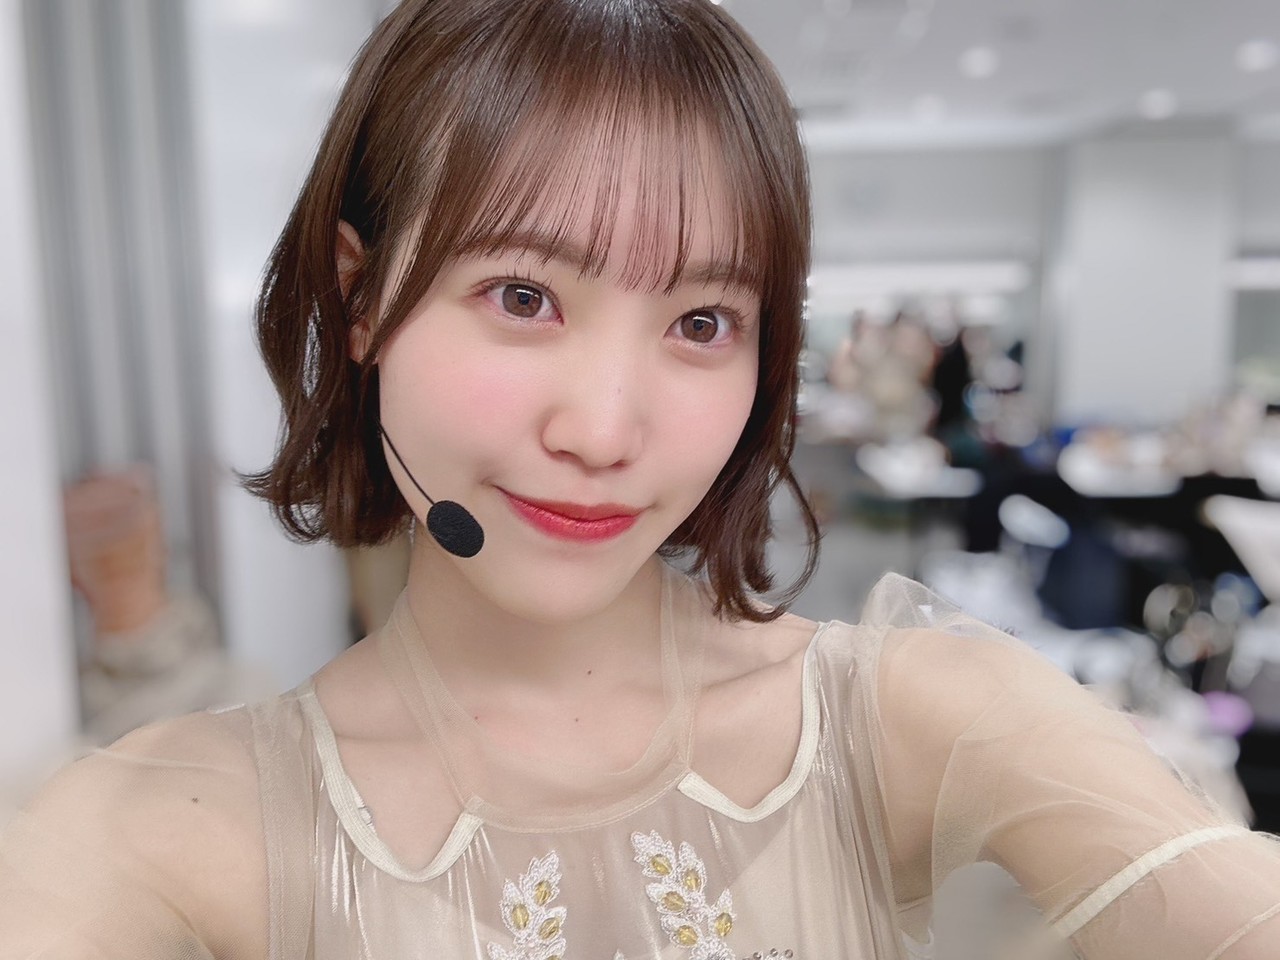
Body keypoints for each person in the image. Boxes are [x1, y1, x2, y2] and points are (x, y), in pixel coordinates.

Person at [2, 1, 1279, 957]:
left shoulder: (910, 721)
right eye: (522, 296)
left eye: (701, 323)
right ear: (360, 298)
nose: (605, 430)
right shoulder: (178, 826)